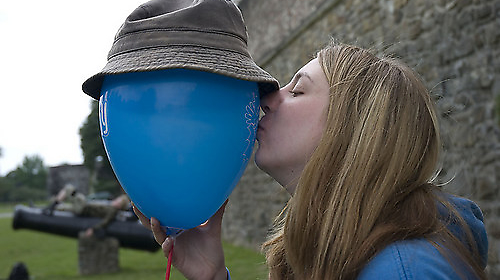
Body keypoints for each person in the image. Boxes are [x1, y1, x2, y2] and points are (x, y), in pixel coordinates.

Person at [134, 41, 488, 279]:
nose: (267, 99)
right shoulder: (341, 255)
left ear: (355, 125)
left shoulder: (405, 272)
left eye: (298, 90)